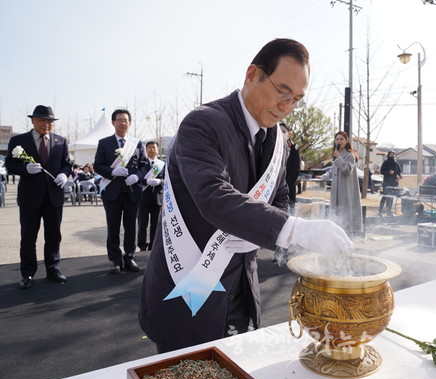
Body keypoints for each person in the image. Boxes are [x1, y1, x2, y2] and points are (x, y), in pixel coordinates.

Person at [139, 38, 352, 354]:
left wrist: (273, 234)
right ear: (252, 75)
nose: (287, 107)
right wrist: (293, 229)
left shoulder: (277, 138)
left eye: (297, 100)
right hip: (188, 287)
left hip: (242, 287)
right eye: (282, 92)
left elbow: (279, 196)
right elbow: (214, 196)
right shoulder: (203, 123)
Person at [5, 105, 73, 289]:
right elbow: (10, 165)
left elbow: (67, 165)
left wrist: (65, 174)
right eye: (42, 120)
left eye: (49, 121)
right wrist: (24, 169)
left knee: (53, 236)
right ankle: (27, 273)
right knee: (28, 237)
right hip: (30, 198)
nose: (46, 124)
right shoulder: (19, 141)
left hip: (54, 197)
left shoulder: (61, 141)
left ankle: (53, 269)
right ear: (33, 120)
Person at [93, 109, 149, 274]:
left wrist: (137, 176)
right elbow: (97, 165)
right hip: (112, 193)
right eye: (119, 120)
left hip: (132, 192)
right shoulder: (104, 143)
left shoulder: (137, 143)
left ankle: (130, 257)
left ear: (130, 123)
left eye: (126, 120)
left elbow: (145, 165)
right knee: (113, 227)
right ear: (113, 123)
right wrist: (112, 172)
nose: (123, 123)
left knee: (131, 227)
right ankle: (115, 260)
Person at [320, 131, 363, 235]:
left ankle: (347, 236)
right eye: (337, 139)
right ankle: (336, 234)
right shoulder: (336, 154)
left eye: (341, 139)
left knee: (345, 213)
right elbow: (333, 170)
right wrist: (324, 176)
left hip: (345, 190)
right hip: (336, 190)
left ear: (346, 141)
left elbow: (347, 170)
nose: (339, 141)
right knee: (336, 213)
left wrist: (338, 158)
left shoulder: (350, 155)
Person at [137, 141, 164, 252]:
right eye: (149, 147)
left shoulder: (163, 165)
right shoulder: (142, 164)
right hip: (143, 198)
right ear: (146, 150)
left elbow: (168, 180)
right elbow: (137, 178)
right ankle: (142, 246)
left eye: (154, 147)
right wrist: (145, 181)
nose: (152, 149)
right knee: (142, 223)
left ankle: (153, 245)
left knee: (155, 224)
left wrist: (160, 181)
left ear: (158, 150)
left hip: (157, 198)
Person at [279, 122, 300, 210]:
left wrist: (286, 184)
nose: (281, 134)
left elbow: (296, 169)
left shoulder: (294, 148)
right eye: (279, 132)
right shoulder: (272, 146)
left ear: (288, 133)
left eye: (284, 132)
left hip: (289, 189)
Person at [379, 151, 402, 216]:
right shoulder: (385, 162)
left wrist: (399, 177)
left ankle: (389, 212)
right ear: (388, 155)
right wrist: (388, 172)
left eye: (393, 155)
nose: (392, 156)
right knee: (384, 197)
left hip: (394, 183)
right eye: (391, 154)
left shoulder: (396, 163)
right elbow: (381, 171)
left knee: (391, 197)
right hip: (386, 183)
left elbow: (399, 172)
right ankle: (380, 211)